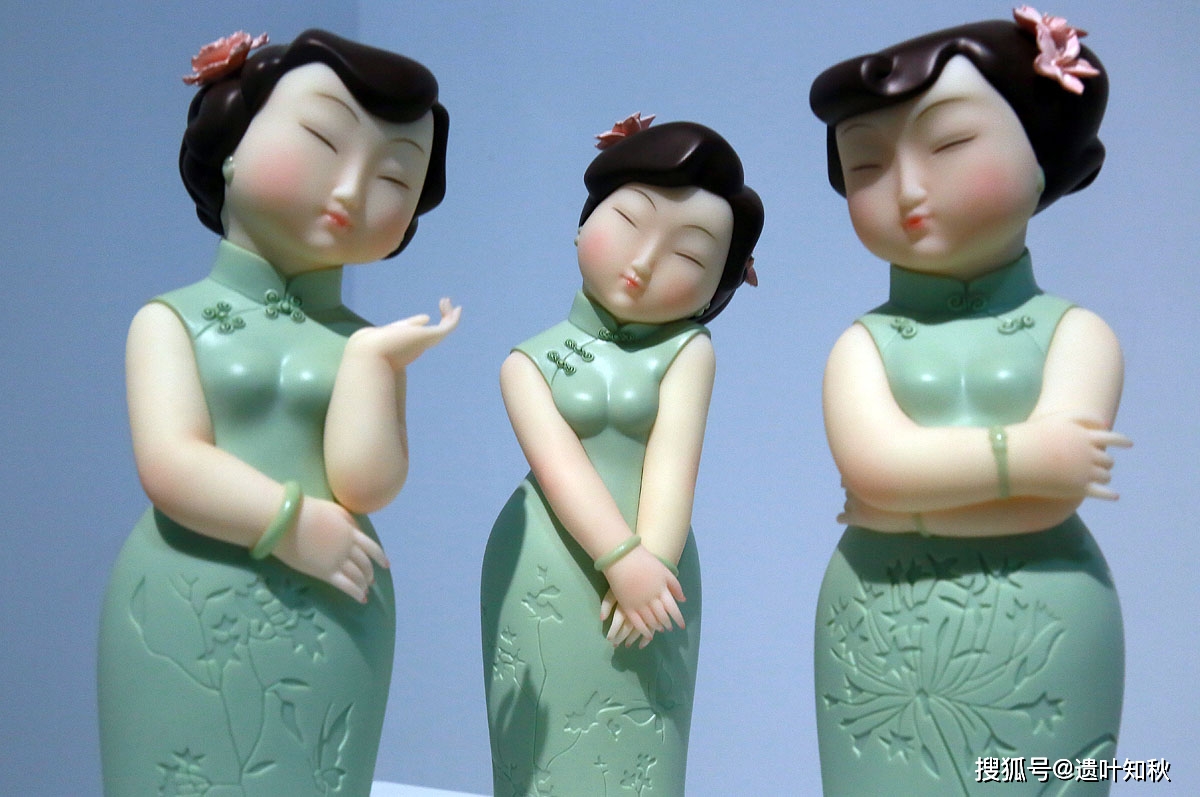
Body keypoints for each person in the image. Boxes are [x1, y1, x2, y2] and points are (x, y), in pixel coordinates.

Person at [98, 29, 457, 796]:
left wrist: (371, 364)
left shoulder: (367, 343)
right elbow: (169, 461)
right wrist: (291, 521)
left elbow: (367, 484)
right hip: (190, 595)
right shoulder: (170, 319)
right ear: (232, 144)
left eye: (394, 176)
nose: (351, 191)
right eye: (323, 141)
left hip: (336, 603)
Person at [809, 8, 1129, 794]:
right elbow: (875, 465)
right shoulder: (861, 344)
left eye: (949, 143)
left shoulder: (1078, 334)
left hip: (1047, 621)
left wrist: (901, 503)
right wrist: (1019, 459)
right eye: (866, 164)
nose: (909, 189)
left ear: (1043, 157)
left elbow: (1054, 496)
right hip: (878, 622)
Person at [481, 115, 762, 796]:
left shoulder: (689, 351)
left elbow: (674, 464)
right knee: (542, 741)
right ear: (584, 223)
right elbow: (559, 467)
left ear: (718, 284)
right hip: (545, 560)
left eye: (688, 256)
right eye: (628, 223)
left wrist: (652, 562)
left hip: (657, 573)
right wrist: (620, 558)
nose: (643, 262)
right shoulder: (527, 361)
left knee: (641, 735)